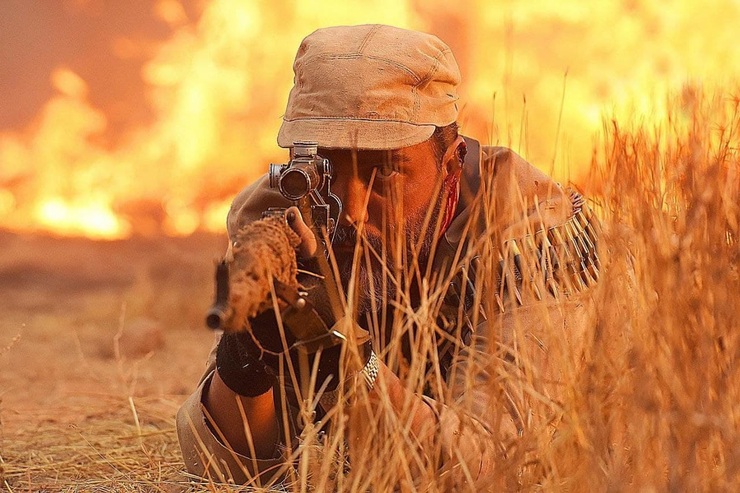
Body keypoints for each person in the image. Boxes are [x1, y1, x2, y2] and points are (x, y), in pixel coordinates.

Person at [177, 24, 600, 488]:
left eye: (387, 171)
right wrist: (247, 363)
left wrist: (345, 347)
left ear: (451, 163)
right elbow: (227, 470)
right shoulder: (280, 217)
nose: (351, 211)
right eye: (328, 170)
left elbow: (485, 464)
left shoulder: (529, 234)